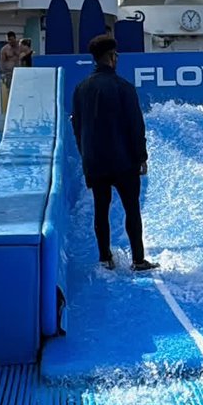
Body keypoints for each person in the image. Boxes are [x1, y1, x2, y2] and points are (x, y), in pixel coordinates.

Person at [71, 35, 157, 271]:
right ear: (111, 57)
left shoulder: (81, 89)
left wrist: (85, 155)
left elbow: (77, 126)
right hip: (123, 161)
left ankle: (105, 257)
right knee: (132, 210)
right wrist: (141, 157)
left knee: (101, 209)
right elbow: (135, 125)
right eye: (116, 55)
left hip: (95, 161)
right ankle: (138, 260)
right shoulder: (123, 87)